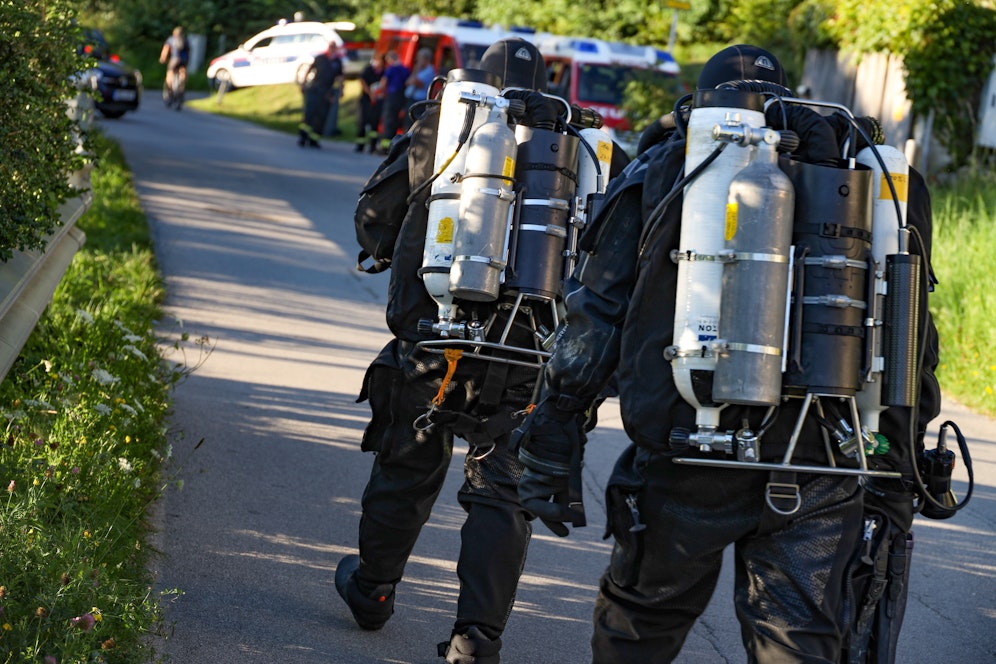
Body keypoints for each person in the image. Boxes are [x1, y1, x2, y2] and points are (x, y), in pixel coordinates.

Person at [509, 44, 941, 663]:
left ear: (702, 103)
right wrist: (901, 463)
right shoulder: (869, 181)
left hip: (689, 445)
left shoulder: (670, 166)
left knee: (641, 623)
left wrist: (555, 428)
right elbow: (909, 333)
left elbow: (598, 310)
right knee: (799, 642)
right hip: (821, 457)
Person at [335, 37, 629, 664]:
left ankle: (373, 591)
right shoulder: (580, 149)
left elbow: (374, 221)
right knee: (502, 494)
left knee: (405, 466)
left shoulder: (443, 129)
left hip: (436, 342)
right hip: (530, 356)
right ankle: (475, 639)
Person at [298, 42, 343, 148]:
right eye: (331, 47)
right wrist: (303, 84)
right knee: (309, 114)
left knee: (321, 116)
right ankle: (303, 137)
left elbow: (340, 77)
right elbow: (309, 69)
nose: (332, 49)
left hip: (327, 92)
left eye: (334, 48)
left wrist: (341, 90)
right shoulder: (320, 58)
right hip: (315, 89)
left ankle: (314, 139)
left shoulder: (337, 62)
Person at [377, 50, 411, 153]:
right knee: (396, 121)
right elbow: (407, 82)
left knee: (388, 122)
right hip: (401, 97)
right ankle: (393, 146)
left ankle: (385, 148)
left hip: (391, 97)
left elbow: (383, 84)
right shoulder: (405, 69)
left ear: (390, 59)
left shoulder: (390, 69)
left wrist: (381, 92)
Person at [355, 55, 386, 153]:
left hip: (378, 101)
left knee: (374, 123)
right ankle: (360, 145)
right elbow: (362, 81)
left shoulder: (384, 72)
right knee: (362, 122)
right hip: (366, 100)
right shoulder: (368, 70)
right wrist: (370, 93)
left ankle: (372, 146)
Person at [159, 26, 189, 109]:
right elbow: (190, 51)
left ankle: (170, 90)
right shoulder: (185, 40)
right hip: (184, 61)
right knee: (182, 74)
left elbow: (166, 49)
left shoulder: (171, 39)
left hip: (175, 60)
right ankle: (181, 88)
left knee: (170, 74)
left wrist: (163, 58)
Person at [405, 47, 436, 125]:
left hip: (418, 100)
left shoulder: (429, 70)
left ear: (425, 59)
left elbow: (416, 82)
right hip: (411, 98)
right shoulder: (421, 69)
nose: (417, 60)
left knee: (411, 123)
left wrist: (417, 68)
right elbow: (408, 82)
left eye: (419, 58)